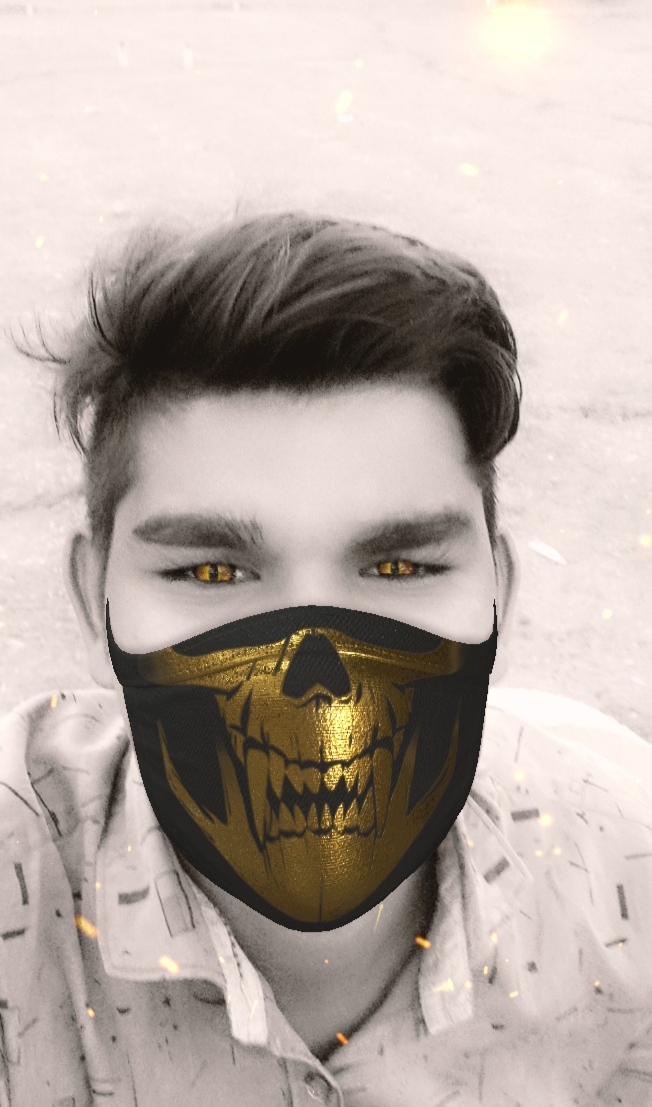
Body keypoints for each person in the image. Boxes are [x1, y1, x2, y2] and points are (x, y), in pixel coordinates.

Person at [1, 211, 650, 1107]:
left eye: (399, 567)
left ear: (497, 594)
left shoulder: (625, 865)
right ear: (93, 600)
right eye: (212, 571)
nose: (316, 672)